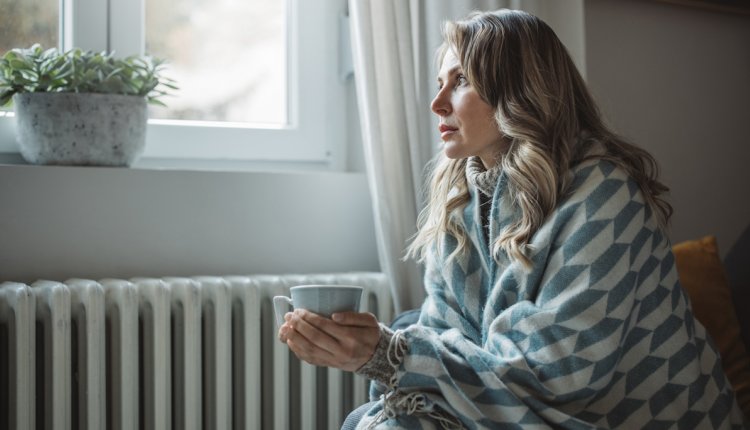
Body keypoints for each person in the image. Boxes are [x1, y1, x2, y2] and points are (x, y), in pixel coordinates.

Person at [278, 9, 745, 429]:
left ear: (519, 89)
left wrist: (391, 353)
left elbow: (557, 373)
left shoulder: (604, 196)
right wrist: (379, 358)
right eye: (440, 83)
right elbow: (447, 333)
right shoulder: (461, 199)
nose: (437, 103)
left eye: (460, 81)